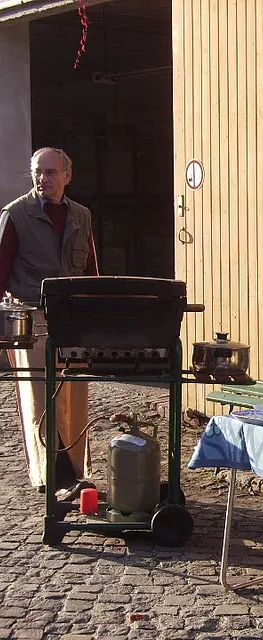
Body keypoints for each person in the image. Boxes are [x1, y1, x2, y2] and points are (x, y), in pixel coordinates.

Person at [0, 147, 99, 500]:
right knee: (41, 397)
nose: (44, 178)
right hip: (31, 318)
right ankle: (52, 476)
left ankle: (75, 472)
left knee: (73, 396)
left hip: (73, 316)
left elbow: (90, 269)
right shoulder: (15, 215)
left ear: (67, 176)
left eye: (51, 172)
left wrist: (95, 312)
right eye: (38, 172)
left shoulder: (81, 216)